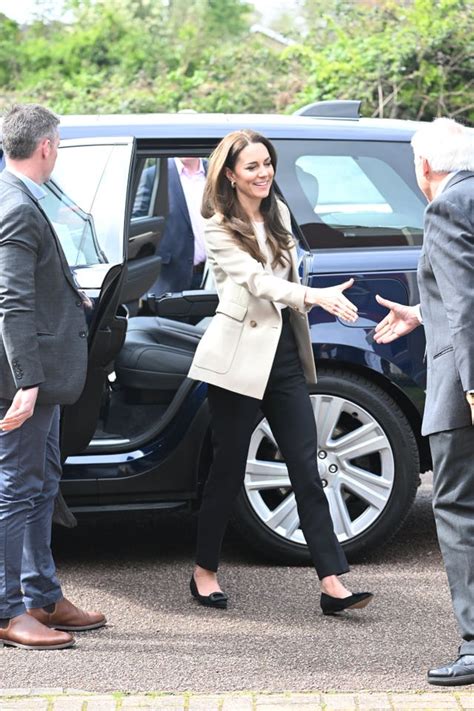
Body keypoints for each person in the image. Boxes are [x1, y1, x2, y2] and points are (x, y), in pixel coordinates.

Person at [187, 129, 373, 614]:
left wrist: (309, 291)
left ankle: (332, 582)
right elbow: (257, 281)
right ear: (230, 173)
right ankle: (204, 571)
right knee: (227, 469)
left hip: (284, 354)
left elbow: (288, 273)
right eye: (251, 166)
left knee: (306, 467)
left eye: (267, 163)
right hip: (237, 359)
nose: (263, 172)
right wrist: (314, 296)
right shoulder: (218, 225)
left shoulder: (280, 214)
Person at [0, 104, 106, 650]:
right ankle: (6, 610)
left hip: (42, 376)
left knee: (42, 486)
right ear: (45, 147)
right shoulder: (17, 205)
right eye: (58, 144)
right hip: (26, 380)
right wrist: (27, 381)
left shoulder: (18, 197)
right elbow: (12, 303)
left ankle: (42, 595)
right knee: (17, 491)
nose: (58, 152)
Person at [374, 118, 474, 686]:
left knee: (458, 510)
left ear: (424, 167)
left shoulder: (446, 208)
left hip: (463, 391)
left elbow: (466, 305)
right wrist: (420, 313)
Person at [133, 157, 208, 294]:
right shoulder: (153, 175)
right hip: (169, 278)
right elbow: (138, 227)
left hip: (211, 277)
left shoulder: (215, 173)